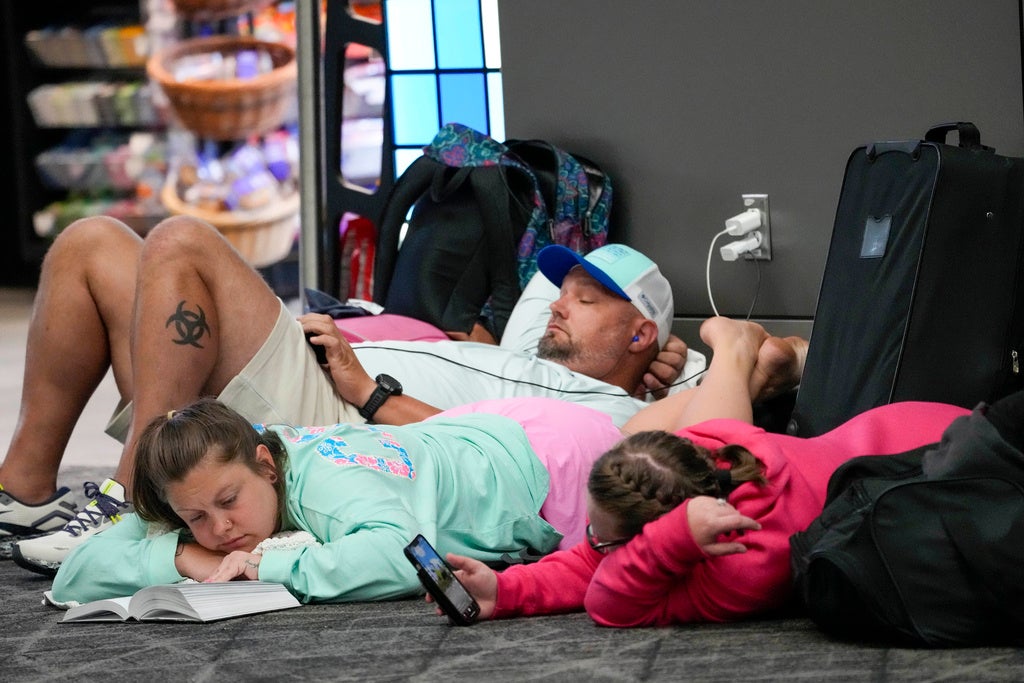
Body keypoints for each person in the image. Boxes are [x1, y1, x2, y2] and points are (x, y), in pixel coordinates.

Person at [0, 215, 700, 573]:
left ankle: (129, 502)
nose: (556, 305)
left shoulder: (611, 409)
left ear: (641, 336)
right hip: (327, 372)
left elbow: (486, 445)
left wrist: (368, 396)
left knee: (184, 241)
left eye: (585, 300)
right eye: (559, 292)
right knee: (89, 242)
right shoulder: (509, 354)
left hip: (337, 429)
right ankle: (19, 491)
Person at [49, 316, 801, 606]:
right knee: (636, 424)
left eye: (227, 502)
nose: (221, 528)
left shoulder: (332, 485)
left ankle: (736, 354)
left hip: (538, 474)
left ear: (265, 464)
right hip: (484, 437)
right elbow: (80, 568)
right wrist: (186, 558)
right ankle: (740, 366)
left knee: (702, 467)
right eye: (194, 518)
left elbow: (393, 555)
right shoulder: (253, 475)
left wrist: (265, 566)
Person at [424, 317, 972, 627]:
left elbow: (609, 599)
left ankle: (736, 349)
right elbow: (594, 559)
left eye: (605, 537)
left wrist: (671, 541)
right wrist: (507, 588)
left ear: (663, 534)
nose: (590, 544)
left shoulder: (744, 563)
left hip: (940, 472)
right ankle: (737, 350)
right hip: (910, 430)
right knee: (677, 421)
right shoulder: (707, 456)